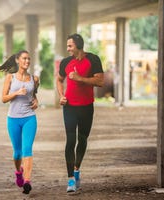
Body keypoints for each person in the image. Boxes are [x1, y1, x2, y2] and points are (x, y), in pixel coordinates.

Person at [56, 33, 104, 193]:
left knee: (82, 140)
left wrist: (80, 78)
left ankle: (76, 170)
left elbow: (100, 81)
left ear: (78, 45)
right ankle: (70, 179)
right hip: (69, 106)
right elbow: (59, 79)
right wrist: (61, 96)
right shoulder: (65, 62)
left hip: (86, 107)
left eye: (70, 45)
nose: (68, 48)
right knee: (70, 141)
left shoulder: (93, 59)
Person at [0, 50, 39, 194]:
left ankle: (27, 181)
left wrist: (36, 101)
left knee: (27, 149)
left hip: (29, 118)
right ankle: (18, 172)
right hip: (13, 119)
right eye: (24, 59)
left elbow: (34, 94)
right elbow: (3, 99)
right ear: (17, 60)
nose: (27, 61)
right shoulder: (10, 78)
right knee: (17, 153)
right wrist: (16, 93)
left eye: (29, 59)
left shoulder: (34, 78)